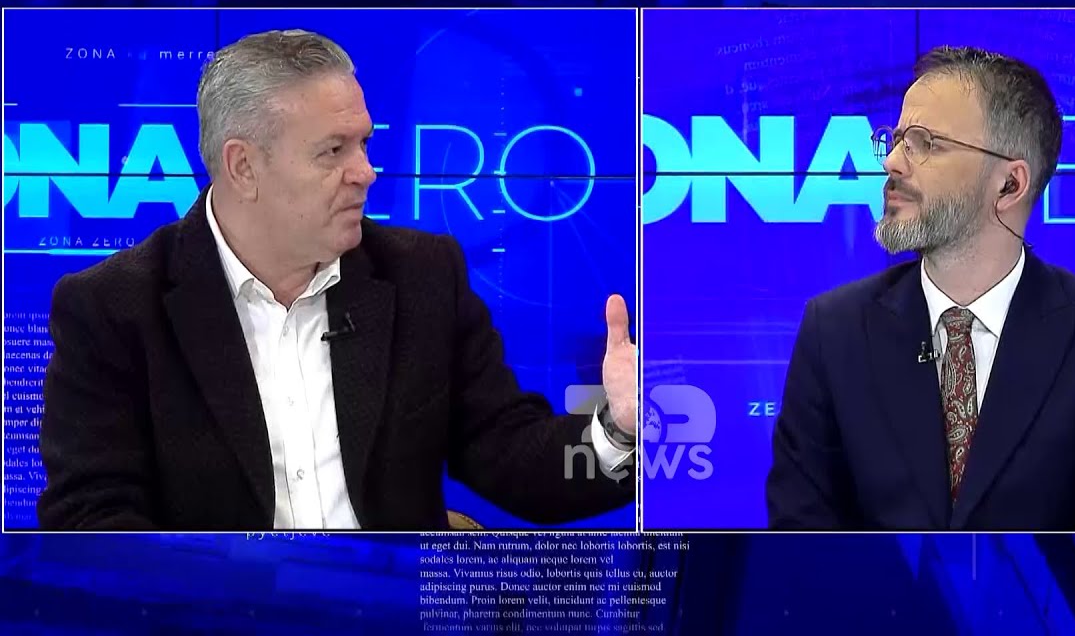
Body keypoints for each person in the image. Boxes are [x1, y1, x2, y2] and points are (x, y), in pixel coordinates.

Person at [37, 29, 637, 531]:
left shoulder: (423, 276)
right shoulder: (114, 309)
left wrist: (618, 430)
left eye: (364, 144)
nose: (365, 172)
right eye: (333, 151)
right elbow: (91, 522)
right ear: (243, 167)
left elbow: (511, 457)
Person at [765, 46, 1075, 531]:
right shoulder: (834, 331)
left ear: (1010, 185)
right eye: (896, 139)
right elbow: (800, 540)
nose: (892, 164)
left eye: (925, 143)